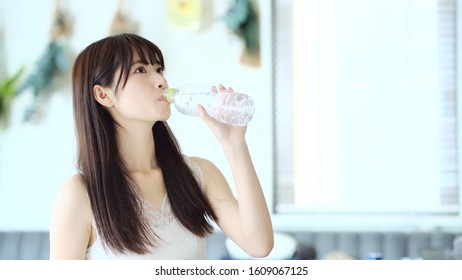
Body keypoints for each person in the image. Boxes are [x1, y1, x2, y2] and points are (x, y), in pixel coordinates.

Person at [49, 33, 274, 259]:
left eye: (159, 69)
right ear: (103, 94)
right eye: (140, 70)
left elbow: (259, 244)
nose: (161, 81)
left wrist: (235, 144)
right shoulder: (80, 195)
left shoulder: (198, 175)